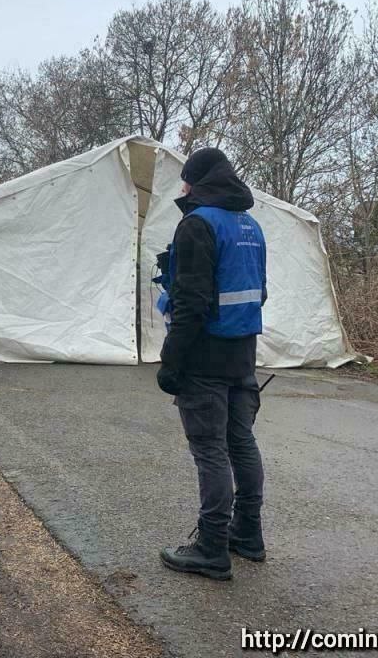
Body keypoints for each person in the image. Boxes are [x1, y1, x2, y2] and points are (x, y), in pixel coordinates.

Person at [156, 148, 267, 582]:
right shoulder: (251, 226)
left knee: (210, 451)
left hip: (204, 358)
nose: (182, 188)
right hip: (244, 355)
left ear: (196, 182)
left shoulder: (197, 223)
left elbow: (191, 304)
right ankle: (248, 534)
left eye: (185, 180)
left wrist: (171, 363)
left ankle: (211, 547)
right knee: (240, 442)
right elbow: (259, 293)